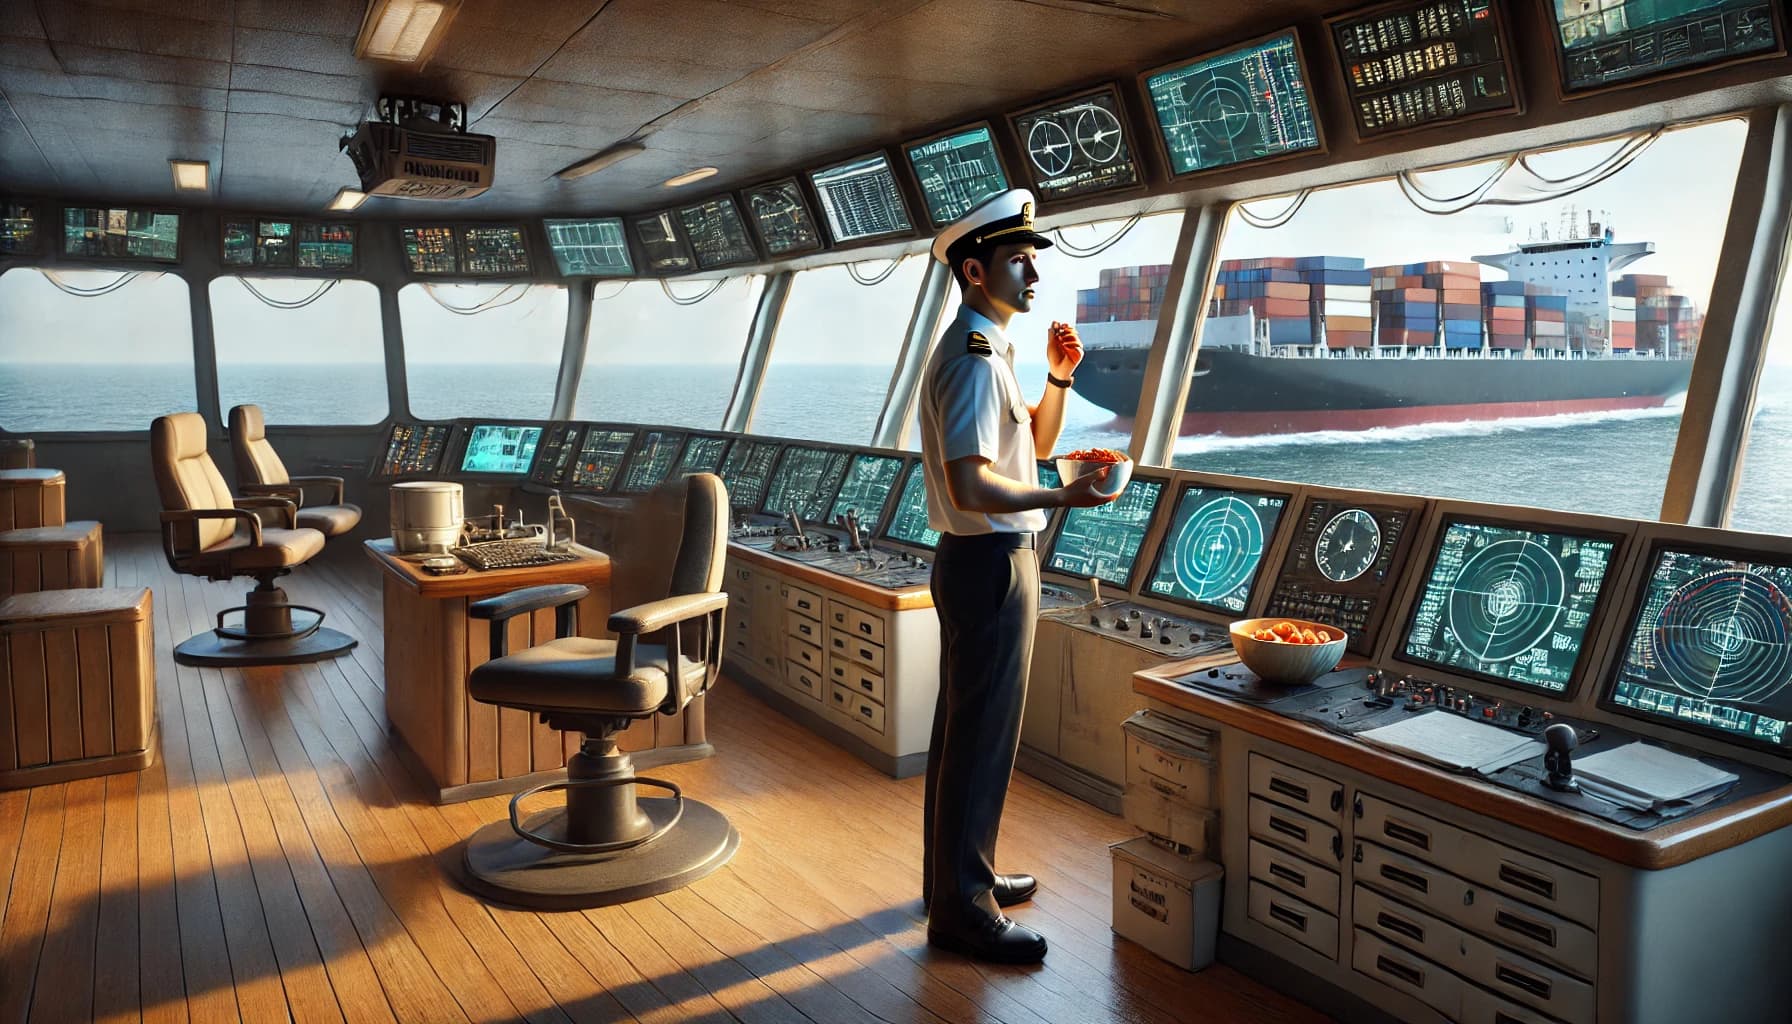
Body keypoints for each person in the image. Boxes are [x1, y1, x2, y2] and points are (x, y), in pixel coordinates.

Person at [918, 189, 1122, 964]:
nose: (1034, 269)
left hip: (983, 561)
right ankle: (961, 911)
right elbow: (974, 485)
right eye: (1017, 258)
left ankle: (955, 881)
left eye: (1033, 256)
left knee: (963, 732)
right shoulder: (972, 359)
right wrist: (1065, 496)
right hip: (990, 561)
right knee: (981, 738)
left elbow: (1029, 442)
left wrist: (1059, 379)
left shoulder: (991, 349)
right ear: (975, 270)